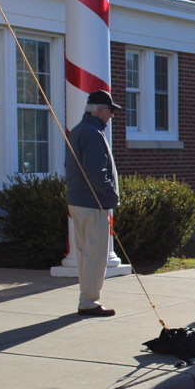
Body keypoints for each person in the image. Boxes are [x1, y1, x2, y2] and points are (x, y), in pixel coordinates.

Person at [66, 89, 121, 317]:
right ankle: (89, 302)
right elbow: (97, 172)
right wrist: (111, 195)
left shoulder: (79, 130)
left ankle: (87, 299)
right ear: (98, 110)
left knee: (85, 253)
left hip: (79, 201)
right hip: (93, 203)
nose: (111, 115)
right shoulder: (92, 133)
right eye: (109, 111)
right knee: (95, 256)